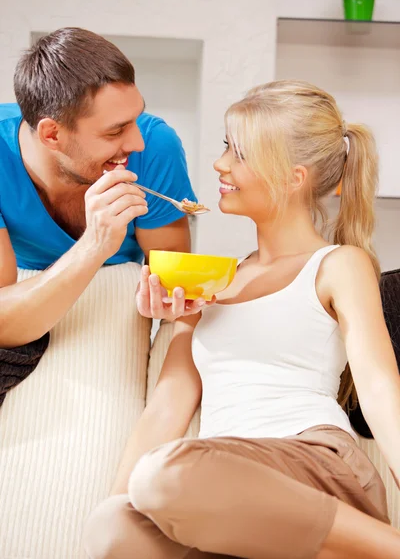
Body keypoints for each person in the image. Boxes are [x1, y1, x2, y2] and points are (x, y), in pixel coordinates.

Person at [84, 79, 400, 559]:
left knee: (164, 475)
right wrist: (117, 503)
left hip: (314, 463)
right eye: (226, 146)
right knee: (112, 524)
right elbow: (167, 406)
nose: (221, 164)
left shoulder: (338, 264)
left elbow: (379, 390)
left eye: (241, 152)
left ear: (293, 177)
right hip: (229, 488)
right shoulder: (209, 280)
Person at [0, 27, 206, 349]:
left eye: (136, 119)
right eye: (115, 132)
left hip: (114, 303)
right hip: (22, 306)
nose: (137, 143)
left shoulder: (155, 146)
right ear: (52, 134)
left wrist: (168, 300)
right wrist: (95, 244)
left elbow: (174, 289)